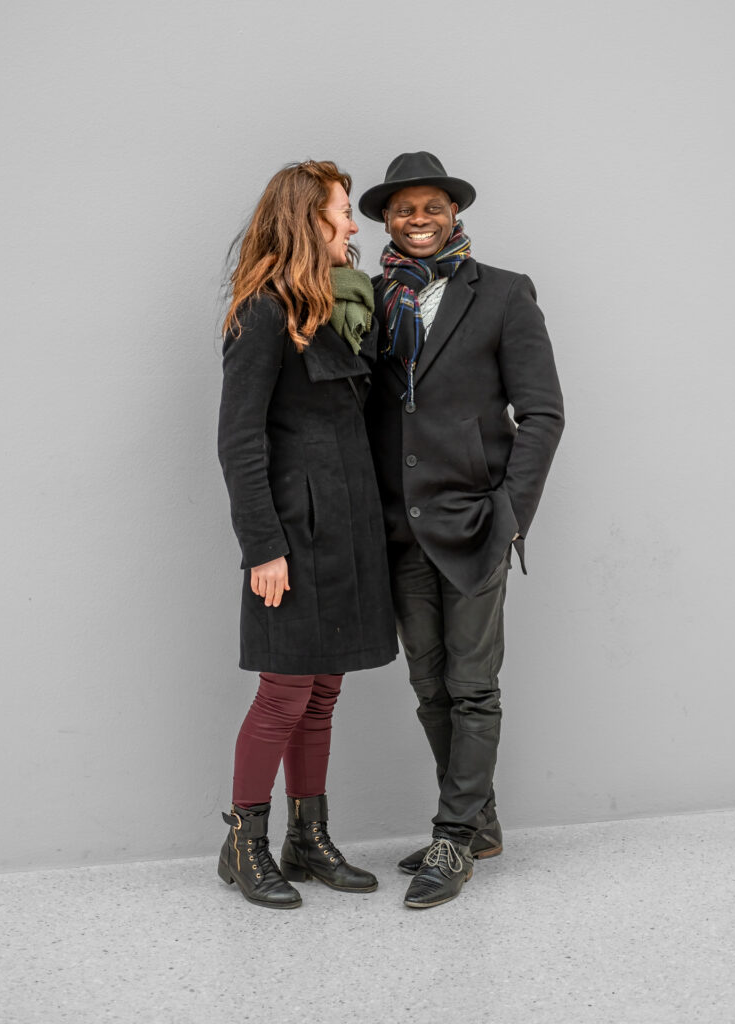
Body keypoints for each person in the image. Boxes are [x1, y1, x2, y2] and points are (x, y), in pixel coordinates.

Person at [361, 152, 565, 909]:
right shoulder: (369, 299)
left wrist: (511, 512)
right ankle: (479, 823)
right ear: (387, 220)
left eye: (432, 207)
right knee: (428, 685)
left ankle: (453, 835)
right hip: (398, 524)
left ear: (454, 214)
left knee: (472, 686)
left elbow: (542, 412)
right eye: (404, 209)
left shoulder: (504, 293)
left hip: (477, 520)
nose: (419, 220)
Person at [216, 160, 397, 909]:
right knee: (284, 692)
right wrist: (262, 545)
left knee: (322, 693)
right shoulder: (262, 312)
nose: (353, 224)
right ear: (306, 220)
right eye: (341, 212)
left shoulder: (341, 305)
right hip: (291, 535)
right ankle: (244, 843)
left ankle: (307, 837)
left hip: (349, 527)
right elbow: (239, 440)